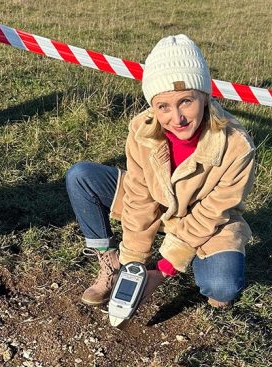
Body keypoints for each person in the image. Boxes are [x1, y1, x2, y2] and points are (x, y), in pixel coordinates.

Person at [65, 34, 256, 309]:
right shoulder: (142, 131)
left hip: (206, 220)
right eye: (163, 106)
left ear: (204, 97)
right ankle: (111, 263)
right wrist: (133, 263)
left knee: (222, 288)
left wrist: (164, 269)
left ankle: (209, 266)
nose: (176, 118)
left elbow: (213, 212)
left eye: (186, 102)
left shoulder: (236, 145)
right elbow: (140, 198)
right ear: (152, 107)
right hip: (158, 206)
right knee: (82, 177)